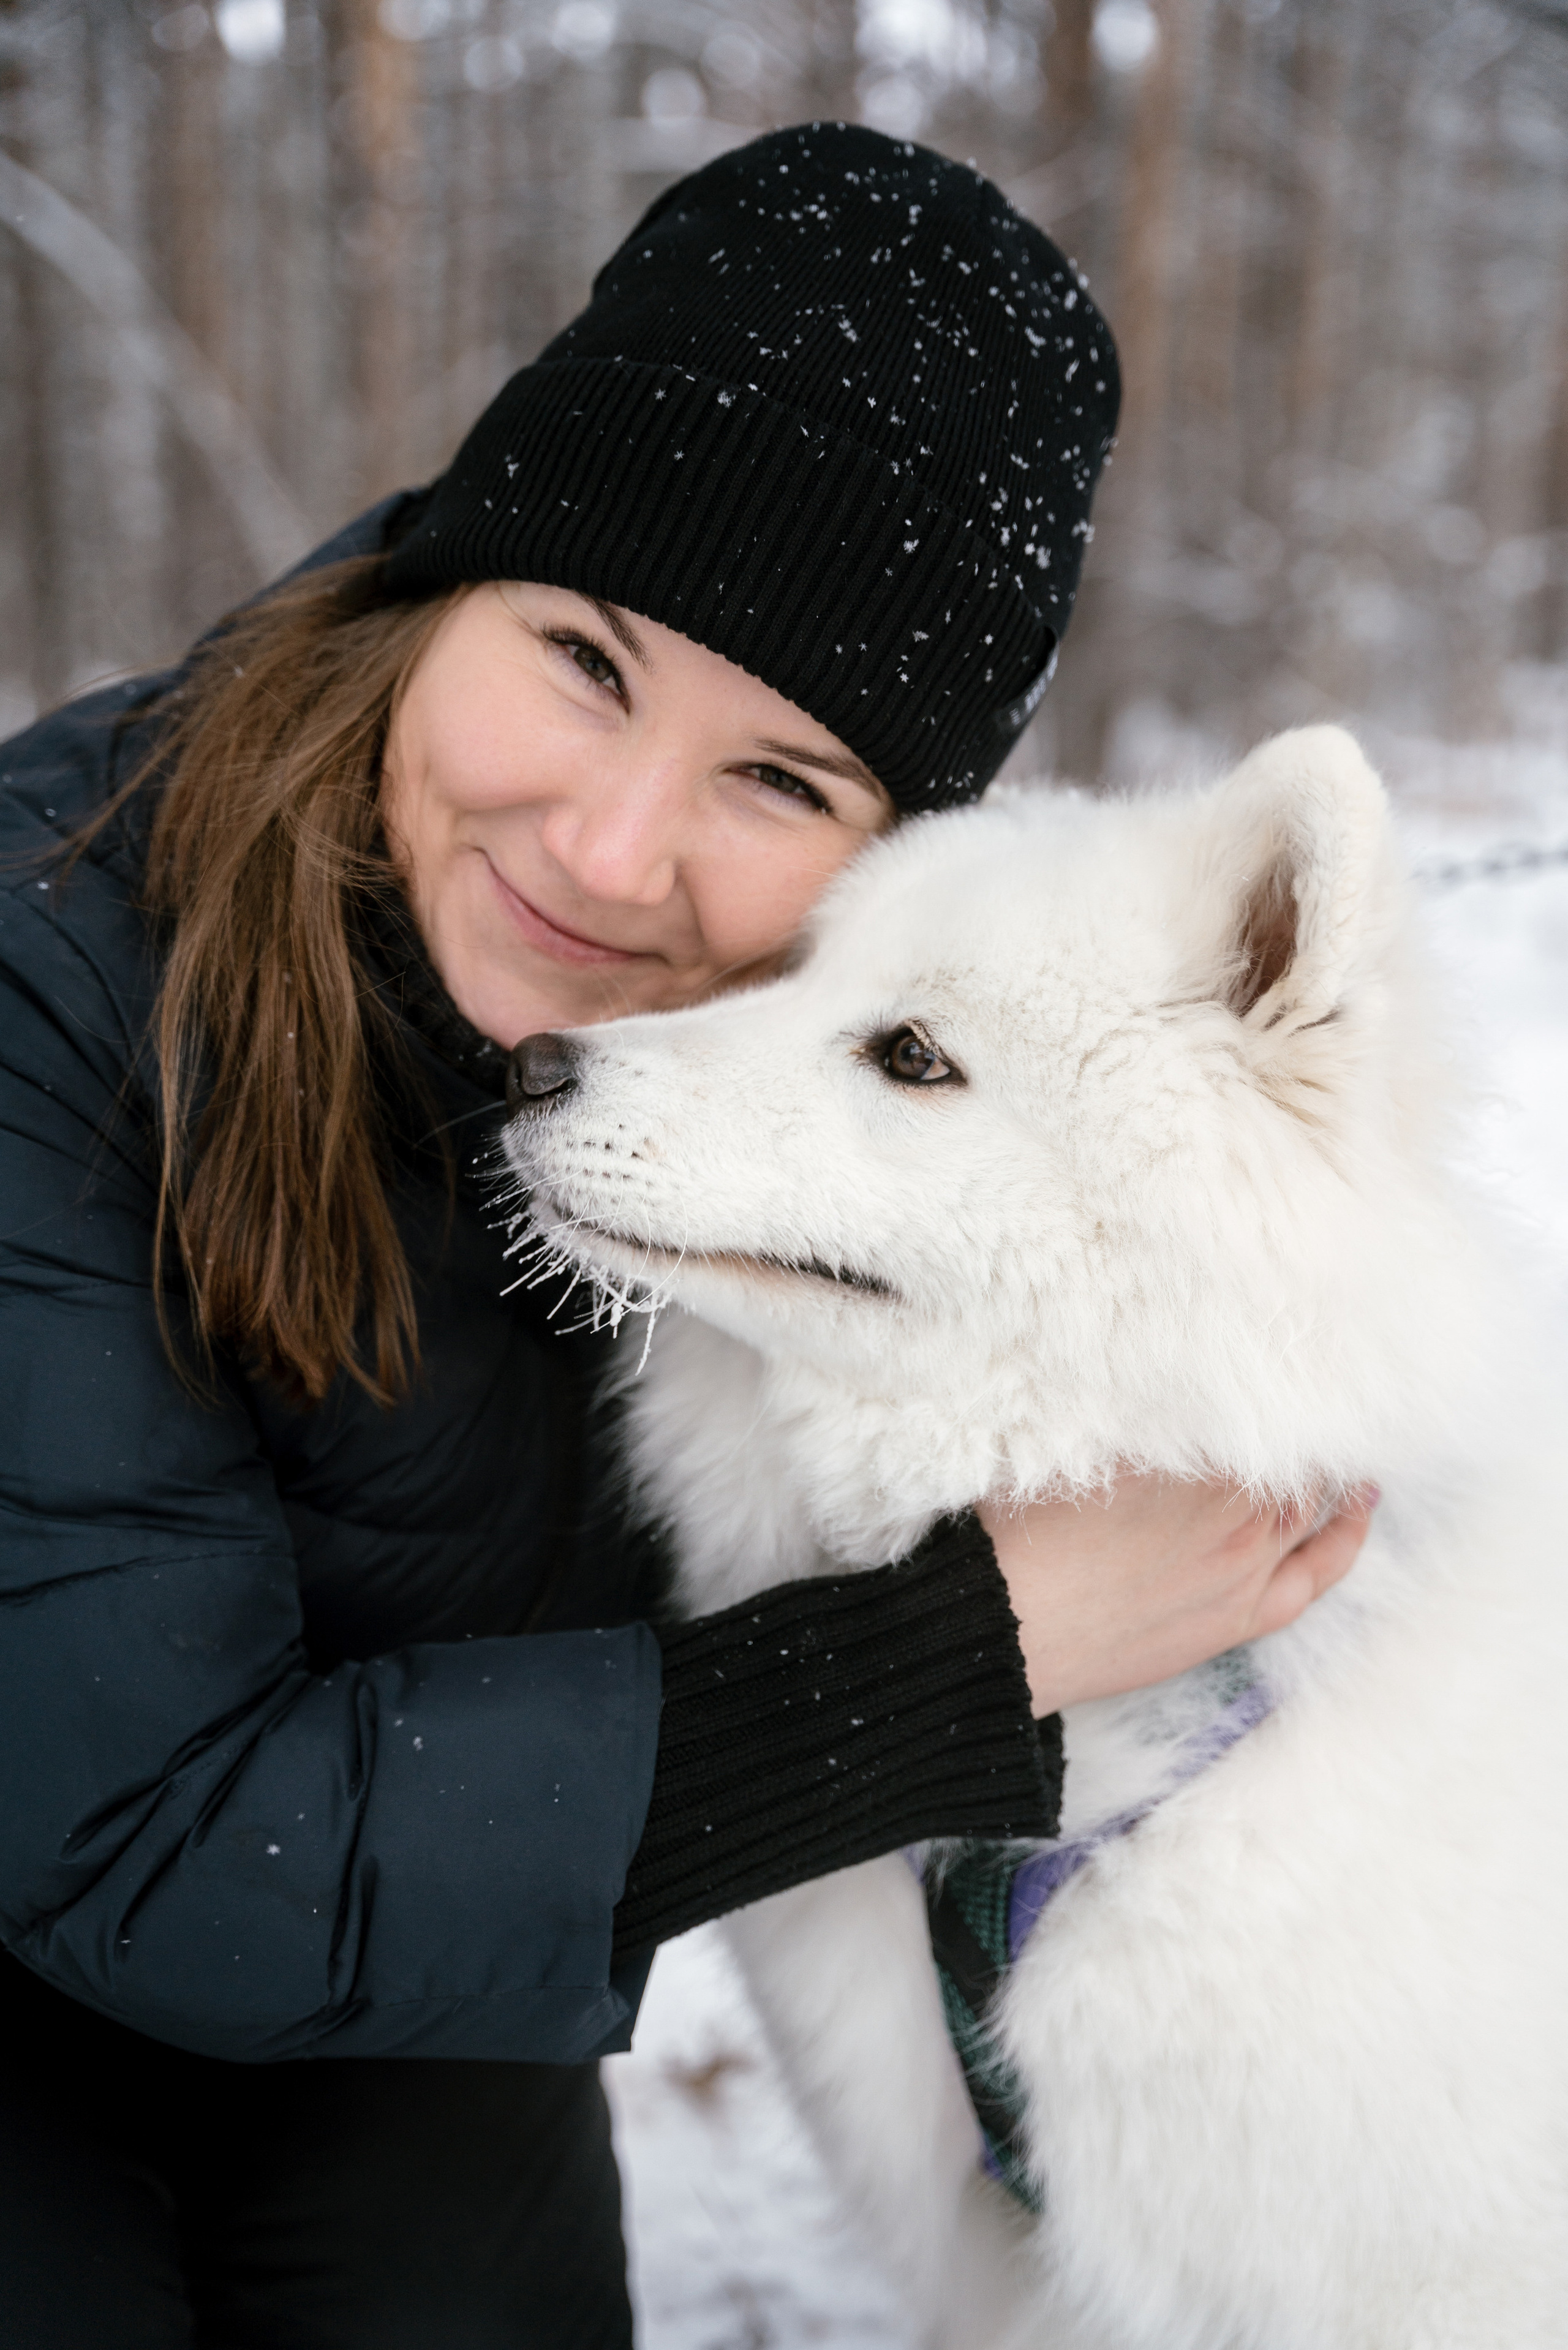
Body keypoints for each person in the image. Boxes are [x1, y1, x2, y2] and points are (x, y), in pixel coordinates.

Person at [0, 124, 1370, 2349]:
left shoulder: (790, 1086)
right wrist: (969, 1659)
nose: (614, 852)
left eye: (782, 781)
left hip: (416, 1949)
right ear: (449, 580)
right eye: (582, 656)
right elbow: (145, 1846)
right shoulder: (48, 967)